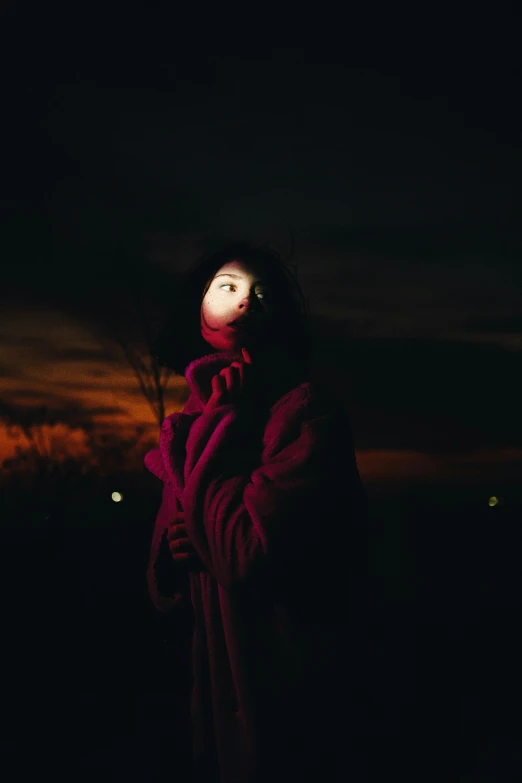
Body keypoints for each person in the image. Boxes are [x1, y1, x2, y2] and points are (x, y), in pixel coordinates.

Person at [144, 242, 369, 783]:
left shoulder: (307, 414)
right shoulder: (189, 423)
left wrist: (227, 421)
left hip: (289, 698)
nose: (245, 302)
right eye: (228, 287)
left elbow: (245, 554)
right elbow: (163, 583)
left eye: (262, 294)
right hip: (210, 705)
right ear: (198, 312)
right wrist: (176, 558)